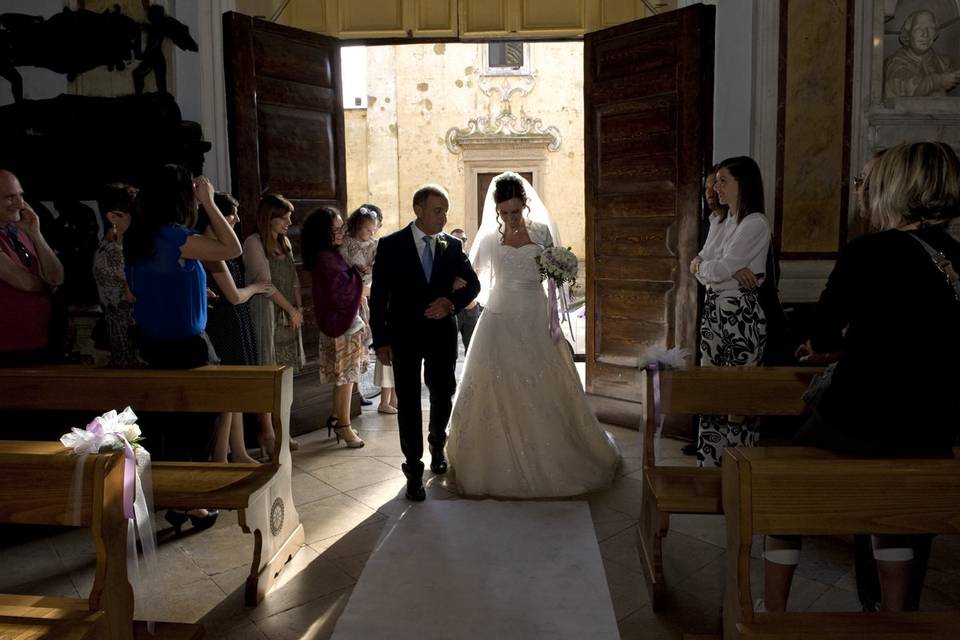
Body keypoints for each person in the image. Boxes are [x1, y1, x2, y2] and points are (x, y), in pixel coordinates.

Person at [762, 141, 960, 614]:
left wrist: (832, 343)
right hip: (935, 424)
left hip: (863, 415)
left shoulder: (870, 250)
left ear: (897, 186)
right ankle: (893, 616)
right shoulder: (956, 254)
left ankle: (771, 612)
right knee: (895, 508)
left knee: (779, 491)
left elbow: (823, 330)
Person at [445, 173, 620, 498]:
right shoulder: (488, 238)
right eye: (504, 214)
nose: (509, 219)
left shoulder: (541, 233)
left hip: (535, 316)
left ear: (525, 205)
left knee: (542, 384)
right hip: (498, 318)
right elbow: (475, 276)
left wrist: (557, 294)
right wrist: (457, 286)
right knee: (493, 384)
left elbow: (555, 280)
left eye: (514, 212)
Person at [124, 165, 241, 533]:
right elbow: (231, 248)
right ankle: (193, 504)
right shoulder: (177, 237)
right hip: (187, 348)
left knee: (170, 430)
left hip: (150, 344)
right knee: (198, 428)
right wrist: (209, 202)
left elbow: (135, 291)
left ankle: (178, 501)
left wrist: (186, 292)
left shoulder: (135, 237)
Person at [369, 184, 481, 501]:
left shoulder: (453, 246)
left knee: (443, 391)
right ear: (419, 209)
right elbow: (379, 298)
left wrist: (451, 302)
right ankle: (413, 468)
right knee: (407, 401)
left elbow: (473, 284)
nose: (444, 217)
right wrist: (381, 341)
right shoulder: (391, 245)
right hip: (403, 335)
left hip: (441, 335)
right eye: (437, 210)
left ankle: (437, 443)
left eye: (445, 210)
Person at [690, 156, 771, 467]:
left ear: (742, 184)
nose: (715, 188)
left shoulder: (755, 223)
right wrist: (715, 269)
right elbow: (699, 264)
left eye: (723, 181)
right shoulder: (722, 221)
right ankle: (710, 463)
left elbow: (716, 267)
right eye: (716, 181)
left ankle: (739, 467)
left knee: (738, 393)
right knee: (711, 388)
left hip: (741, 314)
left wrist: (712, 269)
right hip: (715, 309)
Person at [197, 192, 273, 464]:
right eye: (232, 213)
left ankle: (238, 451)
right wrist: (255, 287)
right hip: (224, 323)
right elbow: (233, 295)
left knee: (235, 390)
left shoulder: (217, 245)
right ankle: (222, 456)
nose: (237, 219)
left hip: (234, 320)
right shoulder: (208, 250)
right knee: (227, 394)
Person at [244, 193, 306, 456]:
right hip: (267, 312)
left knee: (285, 374)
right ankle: (266, 431)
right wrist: (290, 309)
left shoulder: (285, 242)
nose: (289, 221)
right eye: (284, 217)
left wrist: (298, 308)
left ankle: (283, 429)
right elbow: (266, 285)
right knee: (267, 371)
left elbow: (293, 280)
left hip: (288, 314)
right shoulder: (253, 243)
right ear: (270, 217)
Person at [303, 207, 366, 448]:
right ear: (323, 232)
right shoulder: (325, 258)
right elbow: (341, 292)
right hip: (342, 328)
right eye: (336, 230)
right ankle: (343, 425)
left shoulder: (329, 254)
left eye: (342, 229)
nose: (342, 233)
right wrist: (359, 278)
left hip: (342, 326)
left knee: (346, 378)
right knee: (346, 379)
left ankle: (336, 416)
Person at [0, 169, 64, 365]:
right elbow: (25, 283)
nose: (20, 204)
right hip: (8, 348)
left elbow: (58, 277)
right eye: (10, 197)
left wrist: (36, 234)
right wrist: (49, 286)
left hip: (38, 341)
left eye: (21, 195)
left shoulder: (20, 229)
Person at [339, 205, 386, 410]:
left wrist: (372, 267)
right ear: (357, 227)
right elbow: (342, 266)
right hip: (349, 296)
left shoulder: (374, 245)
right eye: (367, 230)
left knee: (361, 346)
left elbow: (381, 264)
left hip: (364, 295)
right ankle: (353, 392)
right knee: (351, 347)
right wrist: (356, 269)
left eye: (373, 229)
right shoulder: (347, 244)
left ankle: (357, 391)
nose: (371, 233)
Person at [92, 183, 141, 367]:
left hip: (122, 332)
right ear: (113, 216)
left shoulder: (107, 246)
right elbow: (132, 296)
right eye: (134, 213)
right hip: (127, 336)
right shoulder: (114, 252)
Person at [884, 10, 960, 98]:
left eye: (930, 28)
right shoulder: (895, 63)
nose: (925, 34)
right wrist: (938, 81)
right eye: (918, 29)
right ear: (908, 35)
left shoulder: (945, 63)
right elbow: (909, 88)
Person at [450, 228, 482, 353]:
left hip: (471, 309)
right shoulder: (446, 259)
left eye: (463, 239)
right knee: (451, 349)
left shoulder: (472, 258)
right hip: (454, 309)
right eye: (457, 239)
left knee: (472, 349)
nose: (460, 242)